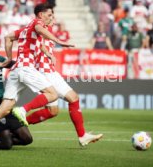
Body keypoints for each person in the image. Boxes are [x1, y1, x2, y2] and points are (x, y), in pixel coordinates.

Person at [0, 3, 73, 151]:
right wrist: (59, 41)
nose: (51, 18)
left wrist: (10, 57)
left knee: (4, 109)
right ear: (41, 15)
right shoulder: (37, 23)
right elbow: (39, 29)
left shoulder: (25, 29)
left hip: (16, 69)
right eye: (49, 15)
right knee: (52, 94)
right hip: (26, 68)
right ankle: (23, 110)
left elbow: (8, 37)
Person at [8, 13, 103, 147]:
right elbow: (36, 37)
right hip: (45, 71)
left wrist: (48, 54)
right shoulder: (39, 29)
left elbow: (36, 42)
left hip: (46, 71)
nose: (52, 20)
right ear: (42, 18)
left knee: (52, 111)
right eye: (50, 17)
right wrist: (56, 44)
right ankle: (82, 135)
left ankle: (14, 127)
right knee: (73, 98)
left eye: (53, 17)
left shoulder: (42, 31)